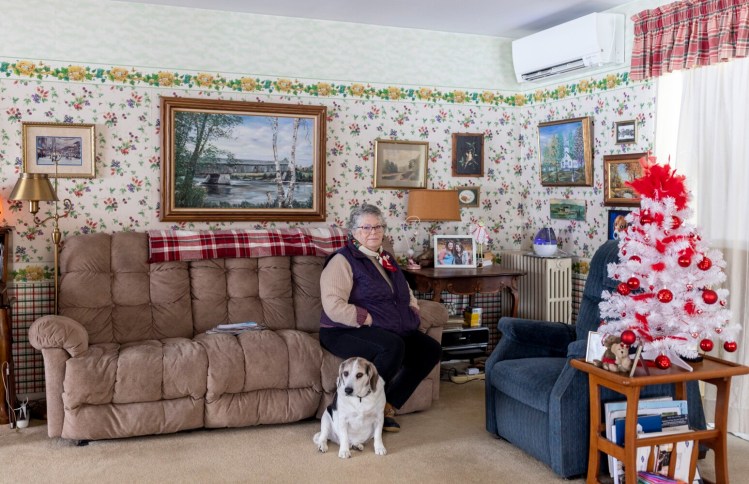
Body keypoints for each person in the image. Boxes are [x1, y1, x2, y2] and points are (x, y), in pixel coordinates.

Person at [319, 204, 442, 433]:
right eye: (366, 227)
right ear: (354, 231)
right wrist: (369, 319)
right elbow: (334, 307)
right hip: (342, 329)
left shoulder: (386, 259)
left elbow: (405, 292)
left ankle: (385, 406)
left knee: (430, 349)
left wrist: (412, 311)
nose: (373, 232)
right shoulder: (342, 261)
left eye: (378, 226)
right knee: (392, 346)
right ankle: (350, 410)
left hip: (387, 326)